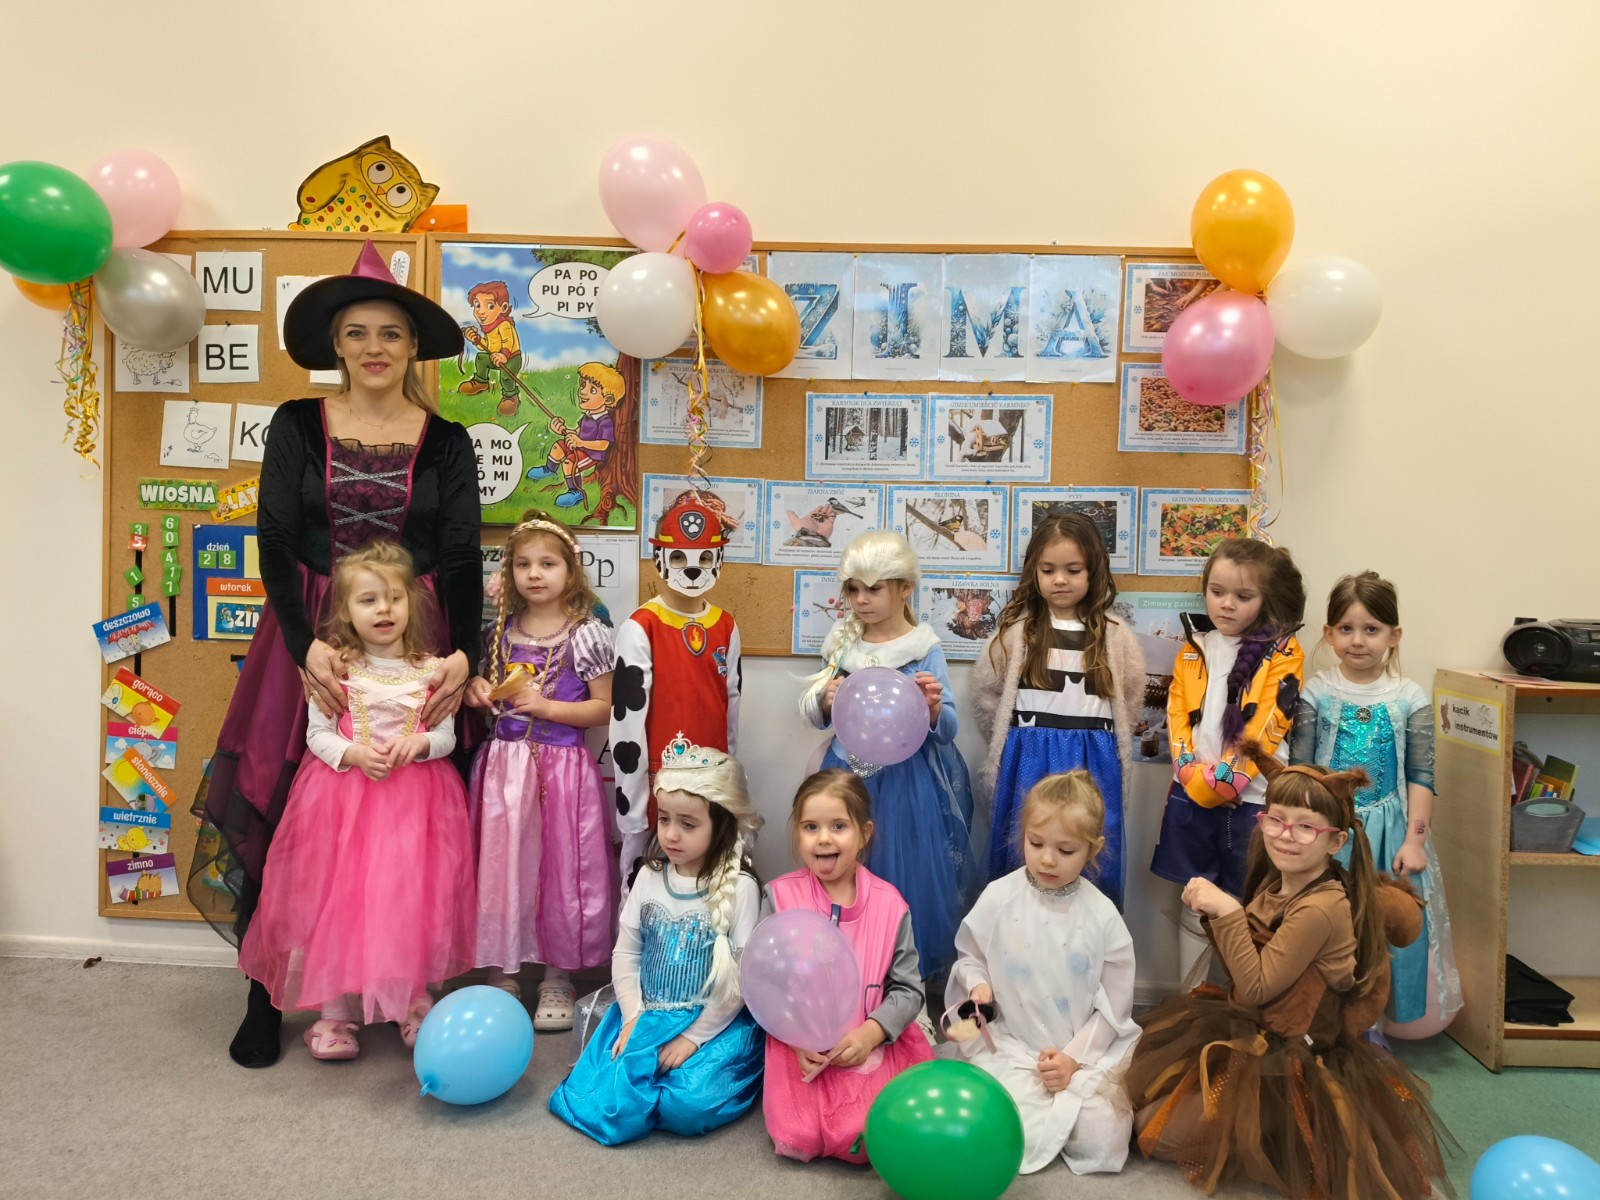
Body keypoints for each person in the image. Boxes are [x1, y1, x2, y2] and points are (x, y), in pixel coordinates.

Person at [188, 240, 478, 1068]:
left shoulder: (447, 441)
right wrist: (304, 642)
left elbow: (462, 554)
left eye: (391, 332)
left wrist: (464, 656)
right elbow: (276, 538)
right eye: (357, 333)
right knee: (288, 803)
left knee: (404, 813)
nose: (374, 347)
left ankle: (402, 984)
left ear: (413, 346)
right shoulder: (295, 423)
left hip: (413, 636)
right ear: (336, 346)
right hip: (309, 629)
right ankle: (267, 993)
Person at [1125, 748, 1456, 1199]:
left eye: (1305, 826)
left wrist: (1227, 911)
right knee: (1143, 1105)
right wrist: (1226, 913)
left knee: (1156, 1134)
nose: (1285, 835)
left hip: (1292, 1055)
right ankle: (1258, 1127)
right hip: (1256, 1026)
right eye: (1276, 820)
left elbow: (1256, 986)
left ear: (1335, 842)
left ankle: (1276, 1128)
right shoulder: (1282, 880)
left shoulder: (1320, 908)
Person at [235, 542, 476, 1061]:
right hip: (342, 806)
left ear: (412, 603)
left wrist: (422, 744)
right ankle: (335, 1011)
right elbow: (317, 736)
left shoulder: (432, 669)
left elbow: (447, 735)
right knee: (339, 905)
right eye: (368, 600)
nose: (383, 609)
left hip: (417, 807)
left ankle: (412, 998)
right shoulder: (336, 670)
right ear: (345, 611)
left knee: (409, 900)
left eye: (394, 598)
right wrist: (354, 754)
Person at [548, 739, 764, 1145]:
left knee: (687, 1105)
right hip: (647, 1013)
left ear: (722, 824)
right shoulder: (649, 876)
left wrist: (692, 1038)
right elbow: (627, 952)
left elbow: (738, 984)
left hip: (713, 1020)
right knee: (610, 1095)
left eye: (688, 824)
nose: (670, 834)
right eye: (664, 819)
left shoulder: (742, 888)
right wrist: (633, 1017)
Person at [798, 531, 976, 979]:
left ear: (905, 589)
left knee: (902, 875)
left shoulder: (923, 647)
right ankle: (846, 974)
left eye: (874, 589)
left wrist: (932, 708)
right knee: (844, 871)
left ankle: (901, 982)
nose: (861, 600)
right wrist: (825, 700)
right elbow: (816, 717)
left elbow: (948, 729)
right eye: (853, 589)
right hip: (846, 778)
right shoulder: (842, 642)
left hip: (905, 784)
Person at [1291, 572, 1461, 1034]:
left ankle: (1374, 1028)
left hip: (1390, 832)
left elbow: (1422, 776)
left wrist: (1415, 840)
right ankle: (1321, 1024)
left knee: (1384, 922)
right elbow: (1300, 768)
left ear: (1394, 635)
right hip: (1328, 831)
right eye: (1346, 629)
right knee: (1327, 925)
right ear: (1329, 633)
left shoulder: (1409, 697)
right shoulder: (1317, 692)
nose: (1358, 641)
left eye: (1371, 629)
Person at [464, 512, 616, 1031]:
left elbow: (604, 709)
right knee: (504, 867)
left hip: (563, 771)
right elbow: (483, 689)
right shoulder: (497, 633)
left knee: (561, 868)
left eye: (548, 563)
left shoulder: (587, 635)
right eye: (523, 564)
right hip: (502, 770)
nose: (534, 574)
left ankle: (557, 974)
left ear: (571, 571)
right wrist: (478, 690)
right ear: (508, 573)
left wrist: (547, 707)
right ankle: (503, 970)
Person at [946, 770, 1139, 1175]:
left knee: (1103, 1140)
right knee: (987, 1118)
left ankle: (1064, 1107)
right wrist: (979, 987)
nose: (1047, 859)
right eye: (1036, 844)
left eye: (1066, 850)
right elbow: (970, 958)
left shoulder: (1103, 916)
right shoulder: (999, 897)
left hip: (1084, 1055)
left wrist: (1071, 1060)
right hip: (1013, 1045)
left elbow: (1113, 1012)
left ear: (1093, 848)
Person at [971, 514, 1146, 905]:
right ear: (1034, 572)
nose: (1060, 580)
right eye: (1048, 570)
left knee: (1085, 848)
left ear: (1093, 571)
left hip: (1094, 762)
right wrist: (1017, 739)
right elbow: (987, 692)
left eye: (1073, 570)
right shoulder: (1017, 632)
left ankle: (1084, 935)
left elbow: (1130, 695)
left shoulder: (1114, 634)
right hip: (1028, 759)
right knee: (1027, 848)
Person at [762, 769, 934, 1163]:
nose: (823, 838)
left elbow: (909, 990)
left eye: (838, 826)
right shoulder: (779, 897)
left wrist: (873, 1032)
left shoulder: (891, 905)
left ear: (864, 833)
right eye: (811, 827)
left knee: (872, 1132)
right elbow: (765, 981)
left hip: (868, 1037)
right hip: (799, 1044)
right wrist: (795, 1038)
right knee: (798, 1134)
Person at [1153, 538, 1305, 983]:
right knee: (1195, 899)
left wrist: (1224, 784)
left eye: (1243, 595)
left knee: (1251, 906)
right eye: (1217, 591)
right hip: (1192, 795)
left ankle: (1246, 1002)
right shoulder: (1193, 647)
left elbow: (1265, 729)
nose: (1226, 604)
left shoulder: (1285, 653)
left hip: (1253, 803)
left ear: (1267, 598)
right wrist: (1198, 779)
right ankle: (1191, 1001)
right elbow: (1177, 720)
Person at [610, 496, 741, 889]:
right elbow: (627, 723)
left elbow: (731, 709)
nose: (692, 569)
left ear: (719, 560)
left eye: (704, 558)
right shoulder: (641, 626)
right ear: (660, 559)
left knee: (709, 886)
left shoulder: (725, 626)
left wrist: (731, 786)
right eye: (679, 557)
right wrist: (633, 809)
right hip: (658, 795)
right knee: (648, 888)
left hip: (712, 787)